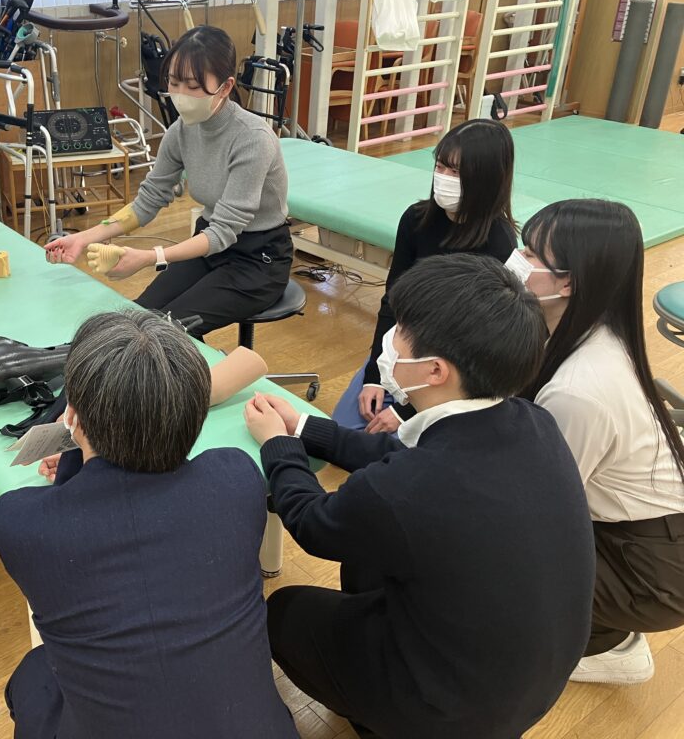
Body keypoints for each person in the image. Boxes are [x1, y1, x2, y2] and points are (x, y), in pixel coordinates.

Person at [245, 254, 595, 739]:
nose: (390, 339)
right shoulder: (531, 421)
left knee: (284, 612)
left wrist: (277, 446)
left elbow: (312, 520)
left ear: (434, 370)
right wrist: (304, 427)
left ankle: (387, 721)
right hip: (528, 680)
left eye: (402, 331)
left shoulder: (408, 489)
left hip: (452, 709)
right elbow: (399, 454)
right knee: (369, 560)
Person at [0, 309, 298, 739]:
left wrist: (80, 455)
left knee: (33, 674)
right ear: (197, 412)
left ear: (72, 416)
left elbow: (83, 522)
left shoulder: (19, 522)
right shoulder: (237, 477)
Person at [515, 199, 684, 685]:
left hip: (654, 573)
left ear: (569, 282)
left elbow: (535, 507)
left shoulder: (578, 388)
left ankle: (609, 644)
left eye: (531, 254)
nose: (517, 261)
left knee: (487, 566)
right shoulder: (585, 331)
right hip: (638, 533)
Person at [43, 26, 292, 336]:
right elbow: (148, 200)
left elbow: (224, 231)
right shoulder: (182, 131)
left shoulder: (252, 139)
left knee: (164, 332)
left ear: (225, 87)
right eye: (174, 83)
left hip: (258, 260)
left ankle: (201, 367)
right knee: (135, 320)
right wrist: (83, 238)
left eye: (193, 86)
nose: (180, 95)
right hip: (208, 247)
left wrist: (150, 258)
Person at [332, 119, 517, 434]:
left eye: (456, 172)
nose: (443, 178)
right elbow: (392, 301)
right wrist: (375, 376)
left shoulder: (499, 245)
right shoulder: (416, 219)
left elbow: (474, 344)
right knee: (344, 429)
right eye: (440, 167)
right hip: (404, 351)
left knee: (397, 445)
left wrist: (405, 411)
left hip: (451, 373)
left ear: (485, 179)